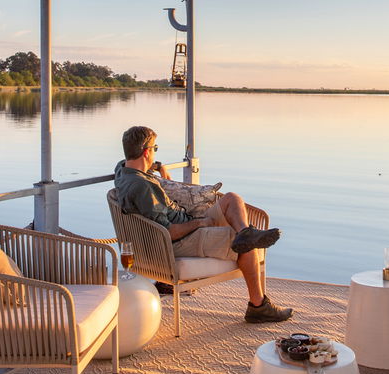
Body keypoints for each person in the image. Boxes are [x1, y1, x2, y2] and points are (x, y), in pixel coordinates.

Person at [114, 125, 293, 323]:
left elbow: (134, 162)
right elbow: (170, 232)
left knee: (231, 199)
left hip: (184, 226)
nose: (155, 153)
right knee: (248, 246)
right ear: (146, 151)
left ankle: (245, 231)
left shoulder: (123, 171)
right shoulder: (143, 187)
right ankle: (258, 306)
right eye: (154, 149)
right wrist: (199, 223)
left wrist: (157, 166)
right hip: (181, 239)